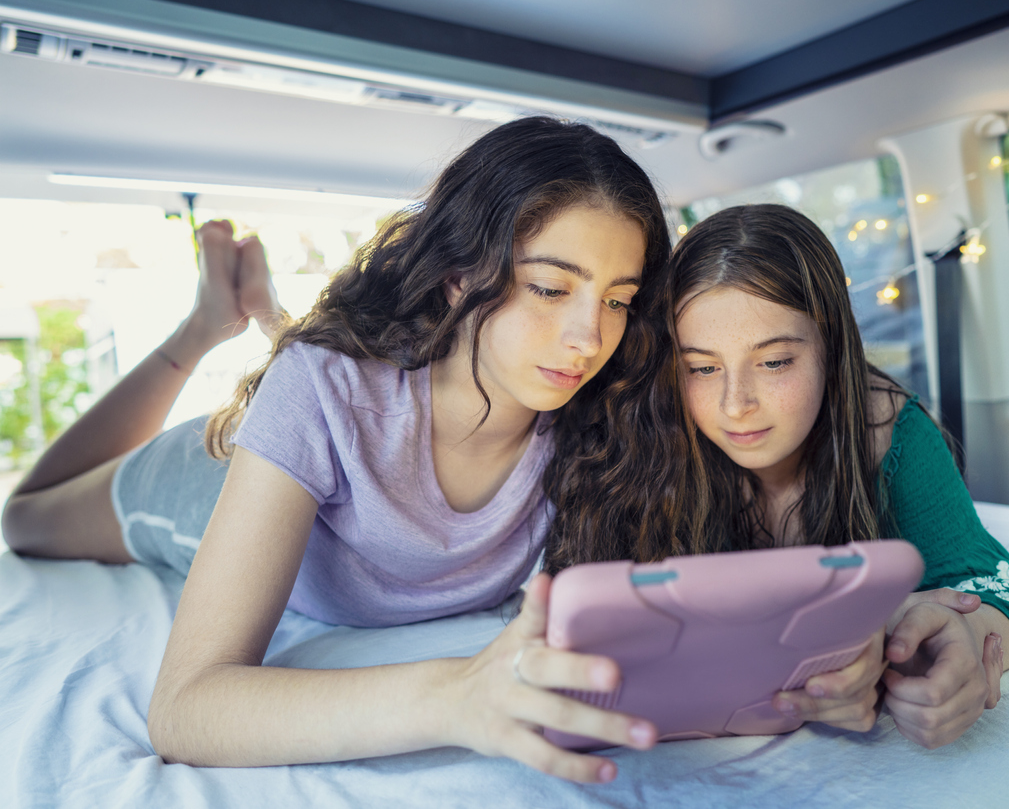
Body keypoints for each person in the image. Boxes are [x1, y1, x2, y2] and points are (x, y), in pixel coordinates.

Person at [1, 117, 672, 783]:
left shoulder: (601, 413)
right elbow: (184, 711)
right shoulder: (326, 387)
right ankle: (206, 326)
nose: (588, 337)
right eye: (550, 289)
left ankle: (257, 318)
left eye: (618, 300)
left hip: (318, 410)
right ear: (458, 276)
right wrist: (453, 697)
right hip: (206, 477)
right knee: (23, 520)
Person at [544, 203, 1009, 750]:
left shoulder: (889, 430)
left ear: (831, 349)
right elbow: (582, 618)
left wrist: (965, 639)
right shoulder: (646, 432)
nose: (736, 405)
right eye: (702, 368)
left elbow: (1006, 589)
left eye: (775, 362)